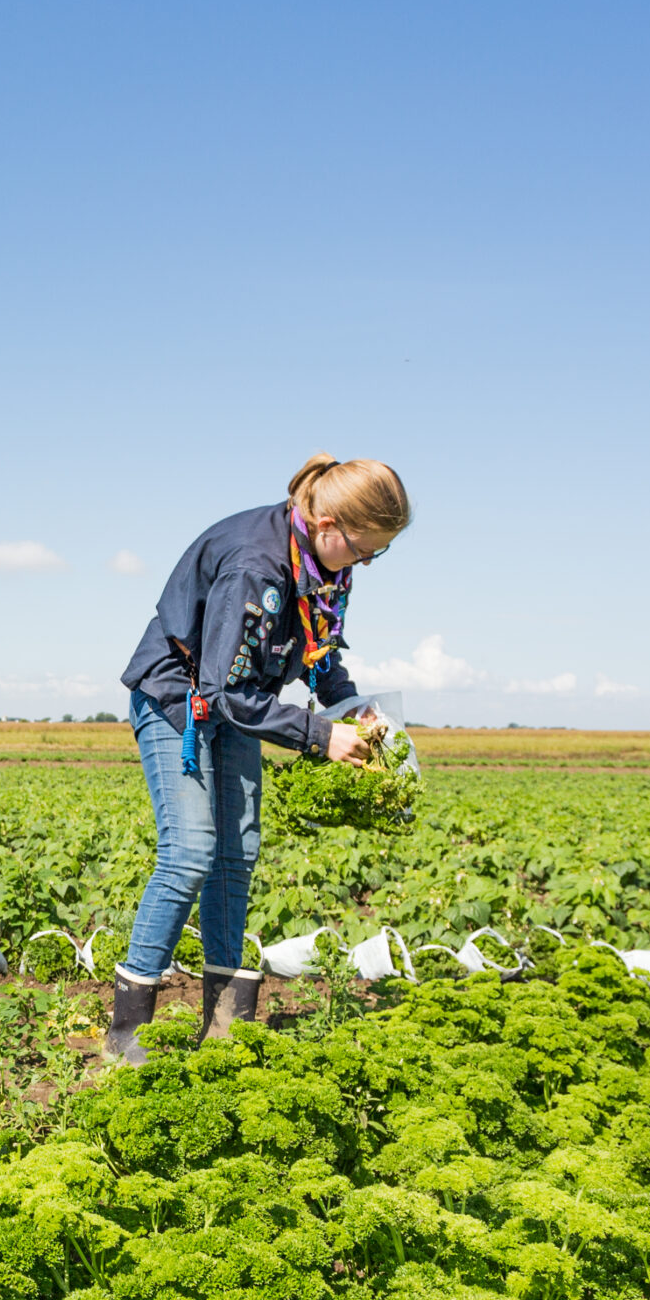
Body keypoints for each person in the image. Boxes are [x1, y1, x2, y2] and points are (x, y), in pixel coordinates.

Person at [106, 453, 411, 1063]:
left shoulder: (324, 563)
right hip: (180, 700)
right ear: (326, 522)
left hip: (240, 701)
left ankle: (222, 1022)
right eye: (364, 549)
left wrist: (349, 706)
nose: (366, 563)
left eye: (377, 553)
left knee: (235, 856)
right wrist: (321, 737)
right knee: (190, 853)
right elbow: (220, 688)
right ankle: (128, 1032)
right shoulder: (256, 565)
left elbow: (317, 643)